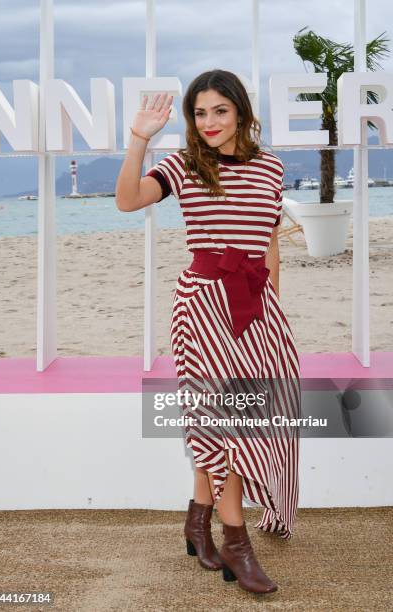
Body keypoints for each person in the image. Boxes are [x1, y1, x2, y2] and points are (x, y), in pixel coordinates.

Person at [116, 69, 301, 596]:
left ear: (240, 110)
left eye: (220, 110)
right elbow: (127, 201)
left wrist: (272, 311)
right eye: (200, 113)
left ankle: (199, 519)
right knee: (224, 421)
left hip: (255, 306)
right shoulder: (184, 163)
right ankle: (235, 541)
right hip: (201, 305)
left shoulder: (271, 166)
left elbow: (269, 244)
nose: (210, 122)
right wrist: (139, 139)